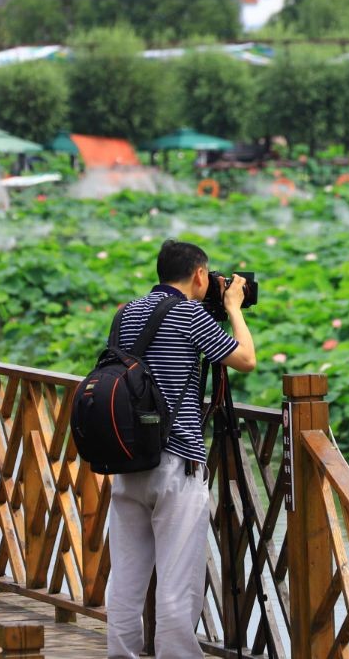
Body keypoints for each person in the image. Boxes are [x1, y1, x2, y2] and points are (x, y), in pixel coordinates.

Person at [106, 239, 257, 659]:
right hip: (176, 463)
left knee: (127, 576)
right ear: (198, 275)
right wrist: (233, 308)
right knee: (177, 580)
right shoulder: (190, 314)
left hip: (127, 458)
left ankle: (122, 655)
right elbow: (245, 359)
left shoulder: (126, 313)